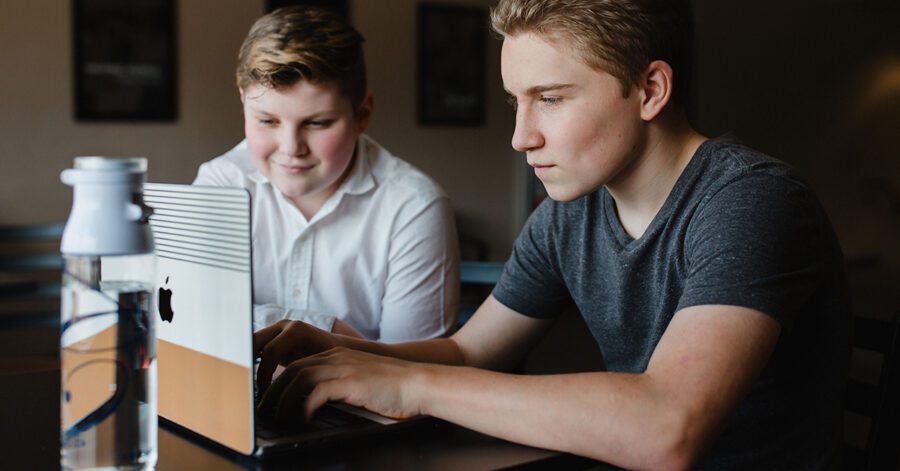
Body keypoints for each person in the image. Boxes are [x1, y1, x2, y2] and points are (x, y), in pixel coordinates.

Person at [252, 0, 852, 468]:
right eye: (518, 100)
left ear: (651, 90)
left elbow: (670, 430)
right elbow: (468, 352)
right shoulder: (571, 214)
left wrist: (409, 385)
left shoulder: (752, 201)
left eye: (551, 99)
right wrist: (340, 355)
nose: (521, 137)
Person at [194, 6, 460, 342]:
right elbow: (194, 322)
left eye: (317, 123)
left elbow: (410, 373)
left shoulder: (414, 207)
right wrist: (331, 331)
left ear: (362, 115)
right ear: (244, 104)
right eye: (267, 121)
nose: (291, 148)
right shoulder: (221, 185)